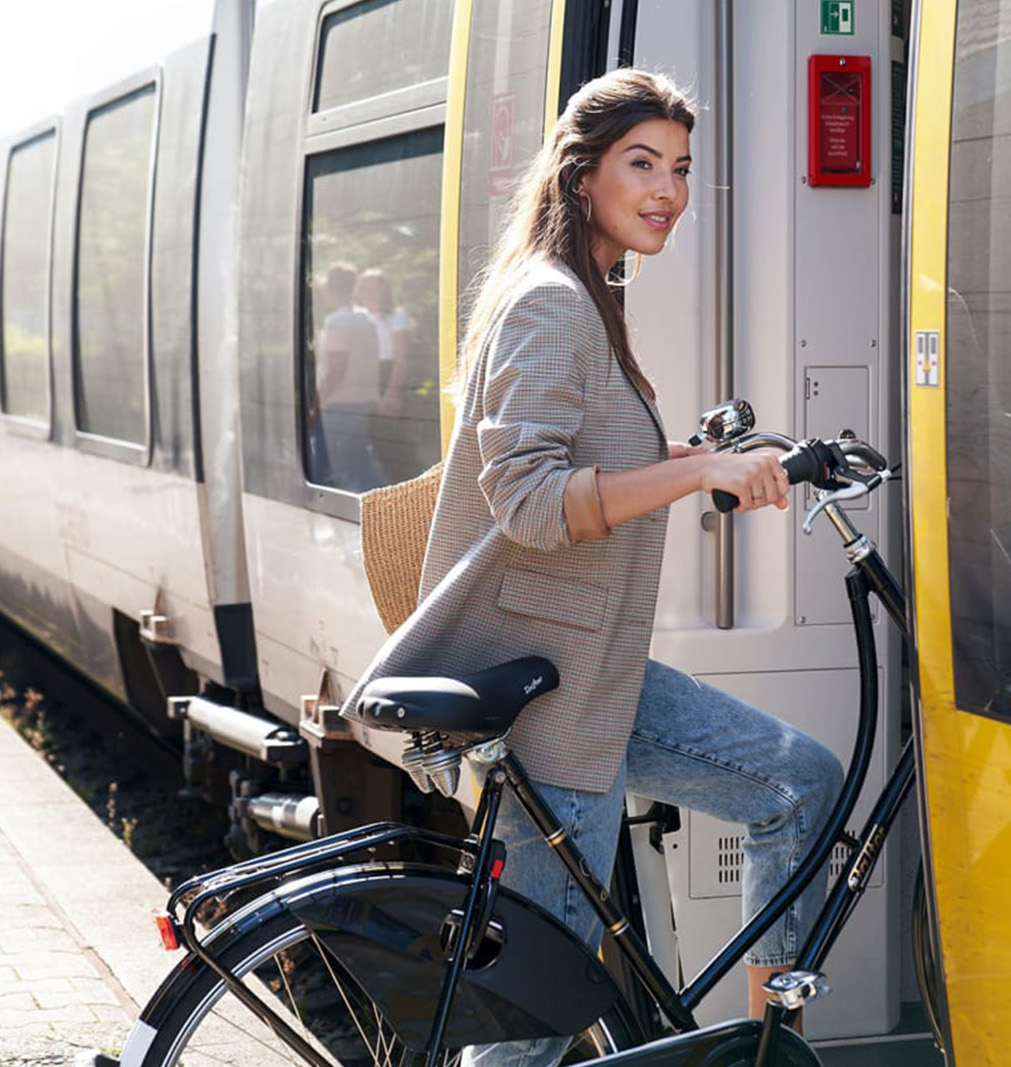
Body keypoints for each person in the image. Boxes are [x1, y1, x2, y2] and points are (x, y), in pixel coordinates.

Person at [342, 69, 843, 1064]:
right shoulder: (551, 302)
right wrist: (698, 466)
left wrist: (703, 464)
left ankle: (760, 1048)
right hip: (548, 700)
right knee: (532, 1022)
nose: (666, 190)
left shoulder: (583, 294)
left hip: (595, 676)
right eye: (641, 164)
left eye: (682, 169)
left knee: (798, 780)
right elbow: (529, 501)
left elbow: (581, 467)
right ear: (582, 178)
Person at [313, 262, 383, 489]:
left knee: (342, 467)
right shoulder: (366, 319)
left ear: (329, 289)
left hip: (340, 404)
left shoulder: (337, 321)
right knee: (361, 463)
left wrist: (317, 401)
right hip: (364, 400)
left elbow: (336, 368)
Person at [354, 267, 414, 418]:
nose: (368, 294)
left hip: (386, 375)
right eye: (364, 289)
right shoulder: (357, 317)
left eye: (374, 289)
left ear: (384, 291)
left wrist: (391, 393)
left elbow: (401, 360)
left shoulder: (397, 318)